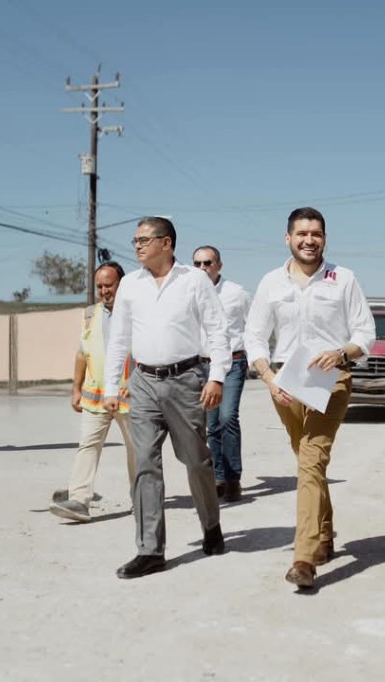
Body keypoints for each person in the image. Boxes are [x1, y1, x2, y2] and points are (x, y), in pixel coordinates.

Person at [244, 207, 375, 589]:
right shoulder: (271, 282)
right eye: (302, 233)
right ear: (288, 238)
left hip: (330, 380)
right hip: (284, 382)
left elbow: (365, 332)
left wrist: (342, 353)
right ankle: (326, 533)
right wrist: (268, 378)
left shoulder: (343, 279)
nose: (309, 240)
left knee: (312, 461)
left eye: (316, 233)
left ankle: (304, 558)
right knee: (308, 464)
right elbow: (254, 336)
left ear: (325, 238)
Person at [103, 217, 231, 580]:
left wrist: (217, 377)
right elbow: (119, 339)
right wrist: (112, 387)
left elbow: (217, 330)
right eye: (135, 240)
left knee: (196, 460)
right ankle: (150, 549)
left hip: (186, 380)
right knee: (145, 463)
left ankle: (211, 525)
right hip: (142, 381)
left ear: (167, 244)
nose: (137, 246)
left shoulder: (194, 281)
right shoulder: (129, 284)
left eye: (144, 240)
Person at [49, 262, 135, 523]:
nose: (103, 291)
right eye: (99, 286)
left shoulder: (135, 312)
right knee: (87, 445)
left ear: (122, 284)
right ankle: (79, 500)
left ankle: (142, 498)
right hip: (96, 398)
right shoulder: (89, 314)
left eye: (109, 285)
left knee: (139, 451)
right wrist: (75, 389)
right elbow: (82, 353)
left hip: (131, 397)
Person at [193, 245, 252, 503]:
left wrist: (257, 359)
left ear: (219, 265)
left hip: (232, 363)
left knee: (228, 417)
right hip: (203, 365)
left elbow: (254, 326)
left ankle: (233, 479)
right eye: (197, 264)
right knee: (211, 425)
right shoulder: (190, 293)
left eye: (207, 263)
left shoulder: (236, 293)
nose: (203, 268)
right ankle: (218, 478)